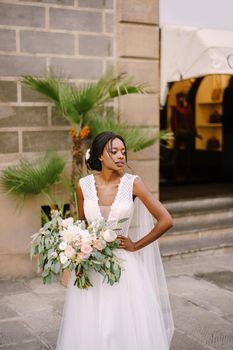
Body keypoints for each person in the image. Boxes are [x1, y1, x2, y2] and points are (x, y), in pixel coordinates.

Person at [56, 131, 174, 350]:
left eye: (123, 151)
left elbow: (166, 220)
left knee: (120, 324)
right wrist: (75, 258)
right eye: (114, 151)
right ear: (100, 155)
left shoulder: (133, 184)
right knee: (91, 323)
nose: (121, 156)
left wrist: (136, 245)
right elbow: (83, 223)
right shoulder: (83, 185)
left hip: (123, 267)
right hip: (91, 264)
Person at [171, 92, 201, 180]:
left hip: (188, 133)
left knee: (188, 153)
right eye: (180, 98)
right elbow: (174, 120)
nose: (182, 99)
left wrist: (194, 132)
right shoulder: (175, 109)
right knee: (176, 152)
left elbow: (192, 120)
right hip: (180, 132)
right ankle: (174, 172)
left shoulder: (189, 108)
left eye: (183, 97)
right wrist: (176, 131)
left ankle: (188, 172)